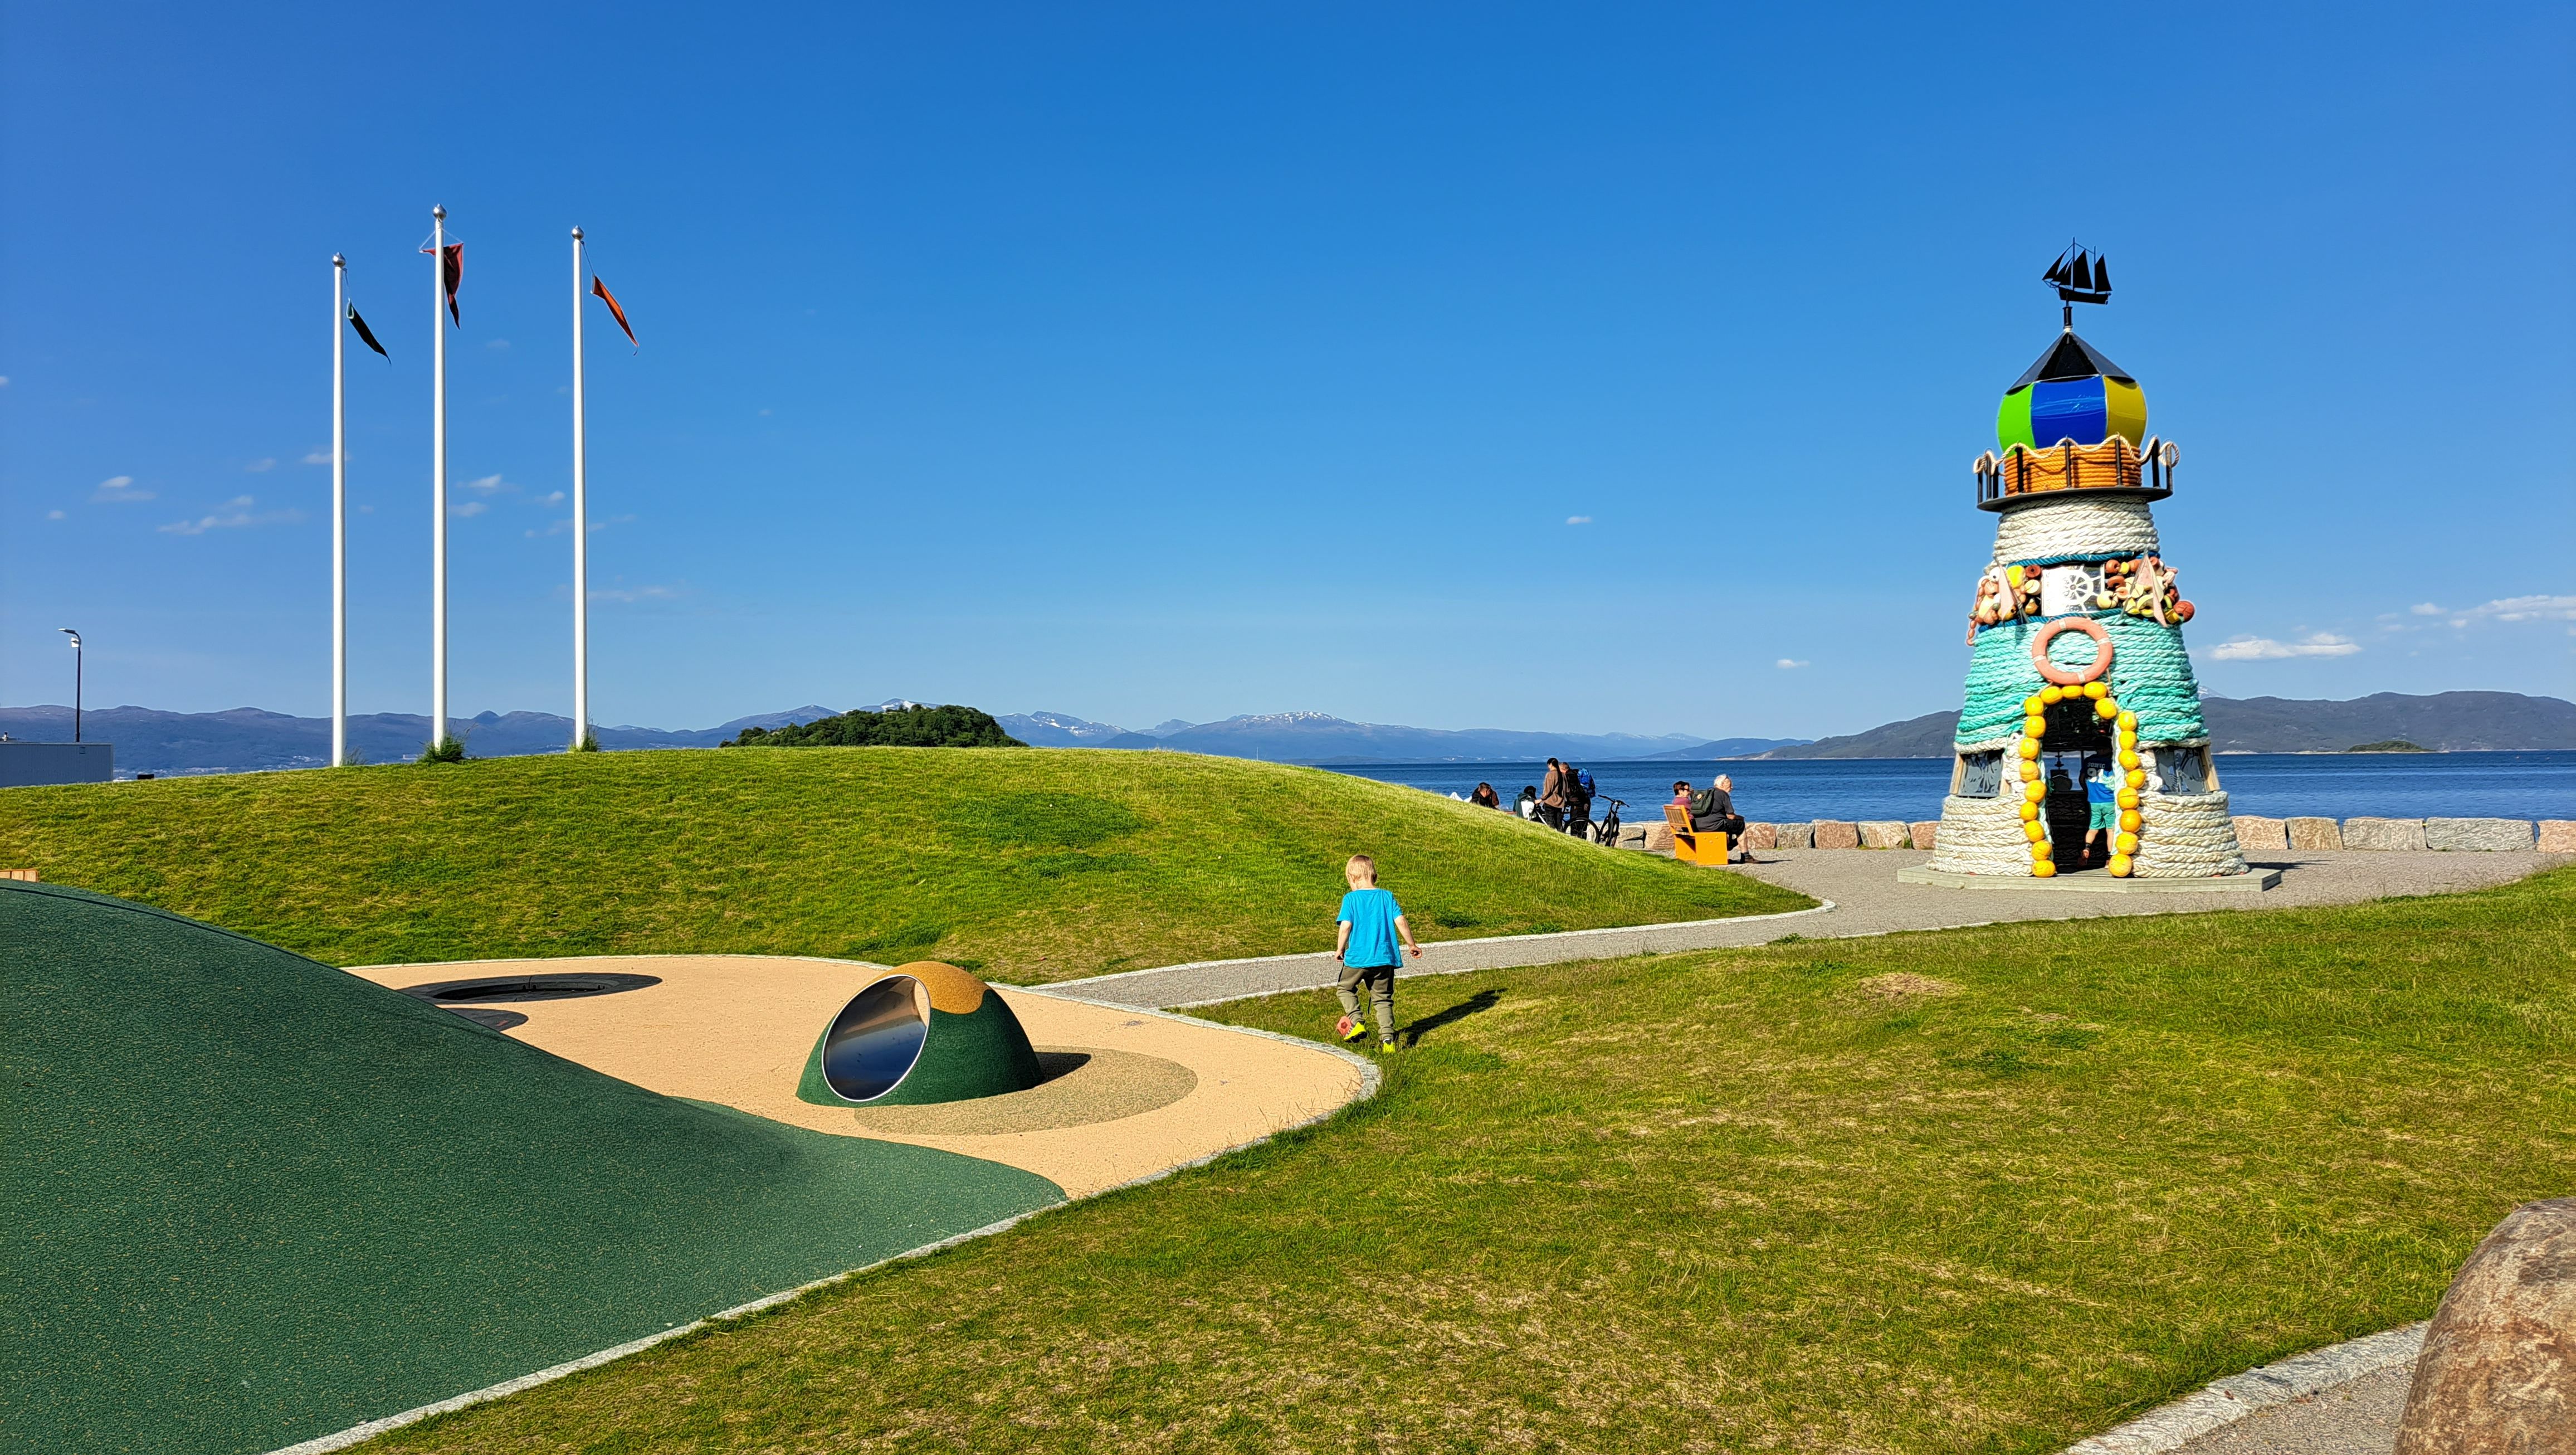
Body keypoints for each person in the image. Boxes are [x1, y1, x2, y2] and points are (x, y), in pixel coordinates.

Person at [1333, 853, 1421, 1053]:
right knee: (1383, 998)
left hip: (1358, 959)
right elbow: (1400, 921)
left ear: (1352, 878)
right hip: (1385, 958)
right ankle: (1388, 1041)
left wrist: (1340, 948)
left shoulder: (1351, 899)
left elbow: (1346, 925)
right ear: (1375, 876)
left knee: (1345, 989)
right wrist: (1412, 944)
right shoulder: (1387, 896)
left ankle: (1357, 1022)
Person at [1690, 773, 1749, 862]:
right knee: (1740, 824)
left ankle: (1730, 844)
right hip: (1714, 826)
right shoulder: (1723, 794)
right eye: (1730, 786)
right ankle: (1745, 855)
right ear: (1722, 785)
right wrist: (1741, 818)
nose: (1731, 788)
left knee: (1729, 824)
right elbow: (1731, 816)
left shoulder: (1707, 793)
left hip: (1699, 826)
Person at [2084, 758, 2119, 862]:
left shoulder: (2088, 761)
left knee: (2093, 828)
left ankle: (2086, 848)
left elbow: (2082, 779)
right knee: (2111, 830)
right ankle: (2110, 857)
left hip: (2094, 801)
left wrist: (2088, 792)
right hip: (2109, 801)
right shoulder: (2112, 762)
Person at [1537, 757, 1568, 831]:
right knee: (1559, 824)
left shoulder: (1550, 775)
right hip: (1560, 803)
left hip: (1550, 802)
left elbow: (1548, 790)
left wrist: (1541, 799)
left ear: (1551, 765)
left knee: (1550, 824)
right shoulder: (1563, 775)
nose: (1548, 767)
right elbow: (1566, 789)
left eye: (1548, 765)